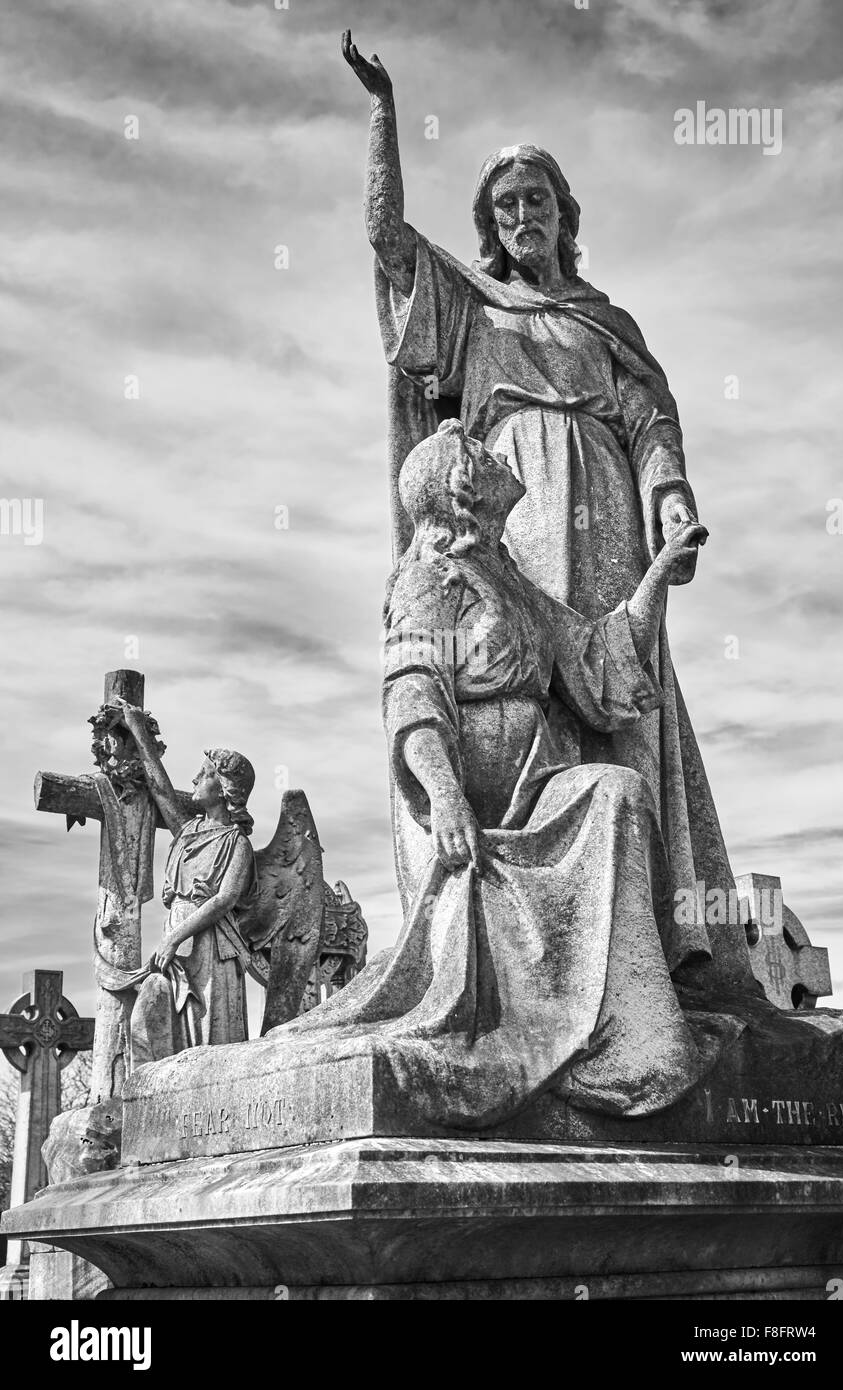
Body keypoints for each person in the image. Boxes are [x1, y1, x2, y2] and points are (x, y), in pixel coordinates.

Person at [341, 31, 756, 991]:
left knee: (616, 689)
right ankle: (536, 947)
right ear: (490, 222)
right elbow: (386, 242)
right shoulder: (471, 304)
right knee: (519, 680)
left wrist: (671, 498)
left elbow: (651, 418)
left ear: (565, 216)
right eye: (506, 204)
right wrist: (384, 116)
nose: (523, 214)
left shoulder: (607, 320)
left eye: (538, 200)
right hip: (510, 509)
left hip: (607, 502)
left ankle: (646, 946)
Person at [271, 422, 734, 1130]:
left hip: (539, 787)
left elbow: (594, 657)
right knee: (607, 798)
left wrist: (656, 576)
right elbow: (413, 690)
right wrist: (446, 792)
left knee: (618, 792)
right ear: (462, 489)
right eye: (479, 454)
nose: (495, 453)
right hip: (479, 806)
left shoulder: (507, 578)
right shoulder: (431, 575)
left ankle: (636, 1039)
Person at [112, 709, 256, 1065]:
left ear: (224, 788)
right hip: (175, 938)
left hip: (209, 948)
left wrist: (175, 938)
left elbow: (224, 900)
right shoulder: (188, 830)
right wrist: (138, 731)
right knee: (154, 1018)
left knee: (207, 1044)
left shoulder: (236, 842)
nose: (194, 778)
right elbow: (159, 788)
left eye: (204, 774)